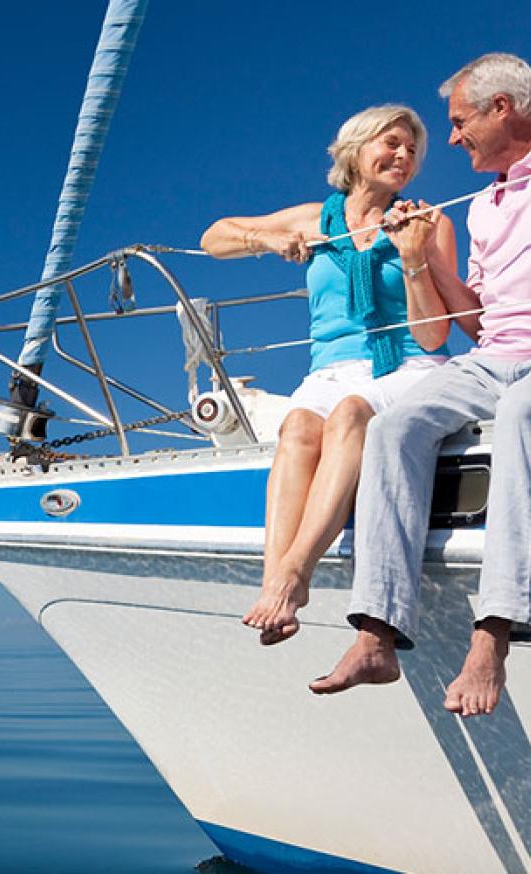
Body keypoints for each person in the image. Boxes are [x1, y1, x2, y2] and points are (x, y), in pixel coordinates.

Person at [311, 53, 531, 717]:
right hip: (495, 355)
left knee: (526, 412)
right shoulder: (484, 208)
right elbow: (474, 324)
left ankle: (493, 634)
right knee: (394, 426)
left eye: (458, 121)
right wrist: (418, 260)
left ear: (504, 108)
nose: (450, 139)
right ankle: (376, 634)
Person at [201, 105, 457, 645]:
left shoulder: (430, 222)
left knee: (349, 416)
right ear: (356, 151)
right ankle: (274, 581)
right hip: (330, 367)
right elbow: (214, 237)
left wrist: (412, 256)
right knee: (296, 429)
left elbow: (435, 336)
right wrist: (266, 242)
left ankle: (294, 574)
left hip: (407, 362)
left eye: (412, 150)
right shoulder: (314, 218)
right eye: (391, 144)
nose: (403, 156)